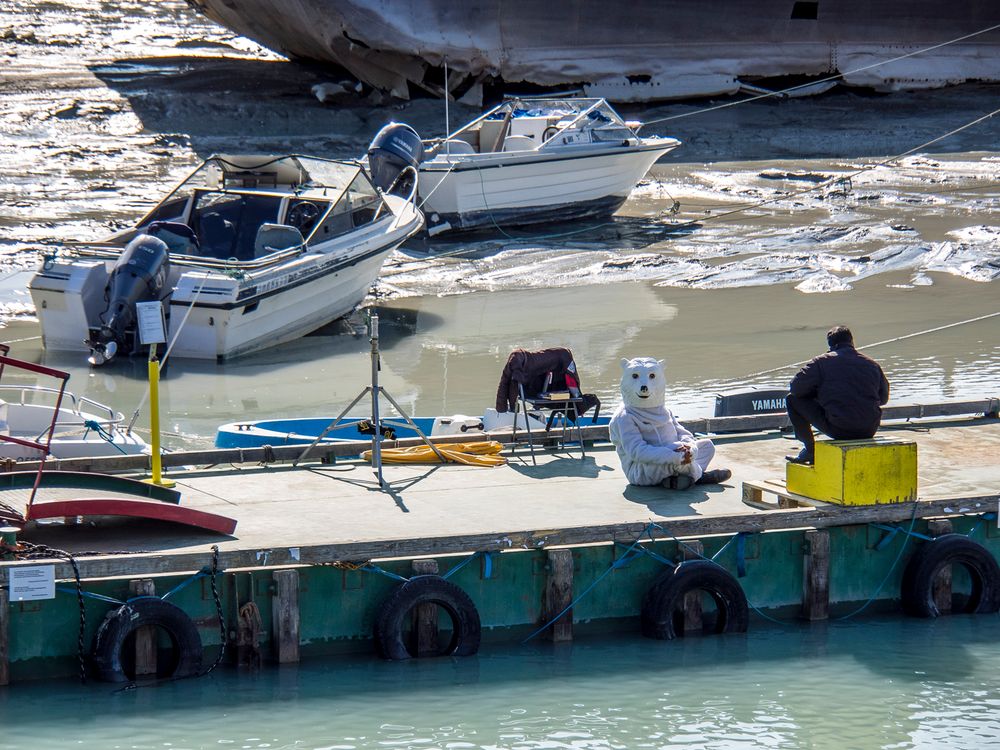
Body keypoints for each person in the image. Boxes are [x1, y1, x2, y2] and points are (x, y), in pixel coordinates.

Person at [609, 357, 731, 490]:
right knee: (681, 463)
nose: (644, 385)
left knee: (707, 446)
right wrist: (673, 456)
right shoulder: (624, 417)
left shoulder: (664, 410)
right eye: (635, 376)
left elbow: (682, 433)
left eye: (652, 376)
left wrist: (691, 449)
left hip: (674, 455)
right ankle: (699, 476)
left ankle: (676, 480)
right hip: (643, 469)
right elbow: (637, 452)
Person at [785, 325, 890, 464]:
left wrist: (818, 394)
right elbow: (883, 399)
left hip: (840, 429)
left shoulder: (821, 362)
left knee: (792, 399)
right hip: (869, 429)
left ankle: (810, 450)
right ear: (852, 342)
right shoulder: (872, 364)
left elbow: (795, 389)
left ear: (830, 345)